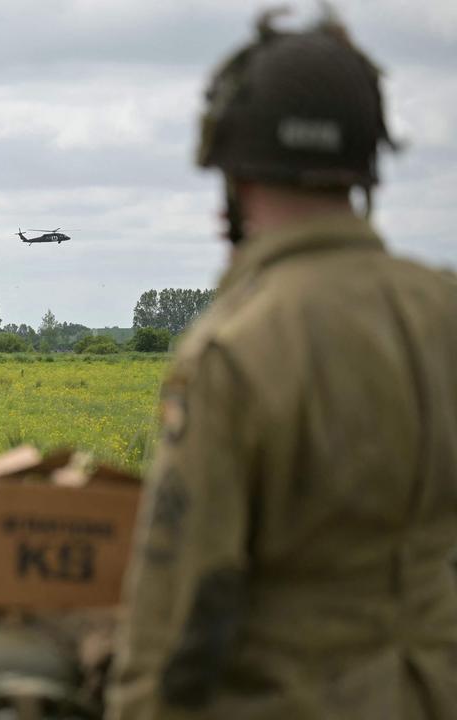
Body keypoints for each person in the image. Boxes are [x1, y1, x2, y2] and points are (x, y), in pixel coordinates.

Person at [109, 9, 457, 720]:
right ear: (367, 159)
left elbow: (179, 618)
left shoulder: (235, 350)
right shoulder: (442, 311)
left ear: (230, 162)